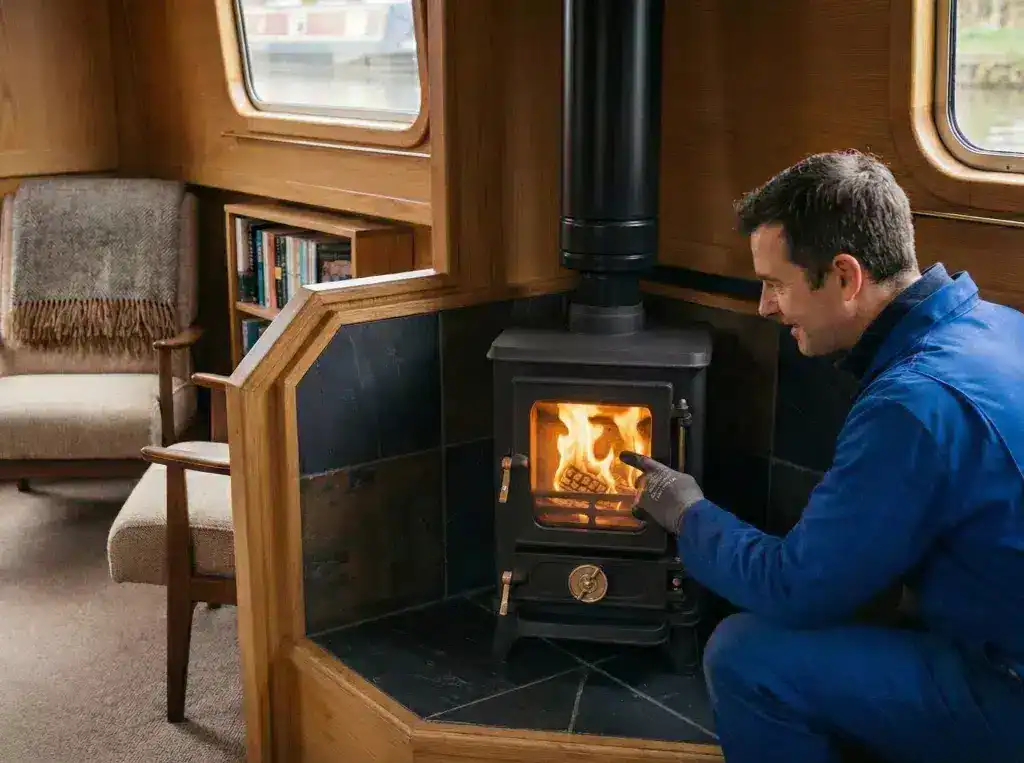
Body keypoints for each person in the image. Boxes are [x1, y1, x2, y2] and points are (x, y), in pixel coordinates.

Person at [620, 150, 1024, 763]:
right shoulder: (1000, 326)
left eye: (776, 283)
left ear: (845, 276)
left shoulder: (913, 405)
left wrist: (687, 512)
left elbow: (795, 589)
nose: (763, 306)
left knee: (745, 657)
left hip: (1008, 689)